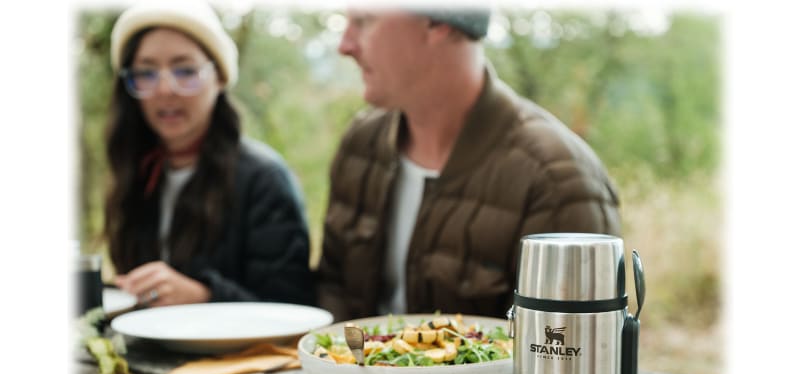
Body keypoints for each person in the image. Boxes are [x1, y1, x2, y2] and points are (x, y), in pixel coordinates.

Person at [316, 8, 622, 321]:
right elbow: (331, 296)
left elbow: (570, 350)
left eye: (365, 21)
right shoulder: (360, 144)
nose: (345, 45)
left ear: (437, 20)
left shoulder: (557, 179)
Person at [104, 1, 314, 307]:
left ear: (218, 78)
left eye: (185, 70)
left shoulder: (263, 179)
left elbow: (292, 308)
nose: (165, 89)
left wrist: (205, 296)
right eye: (146, 73)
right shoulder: (135, 173)